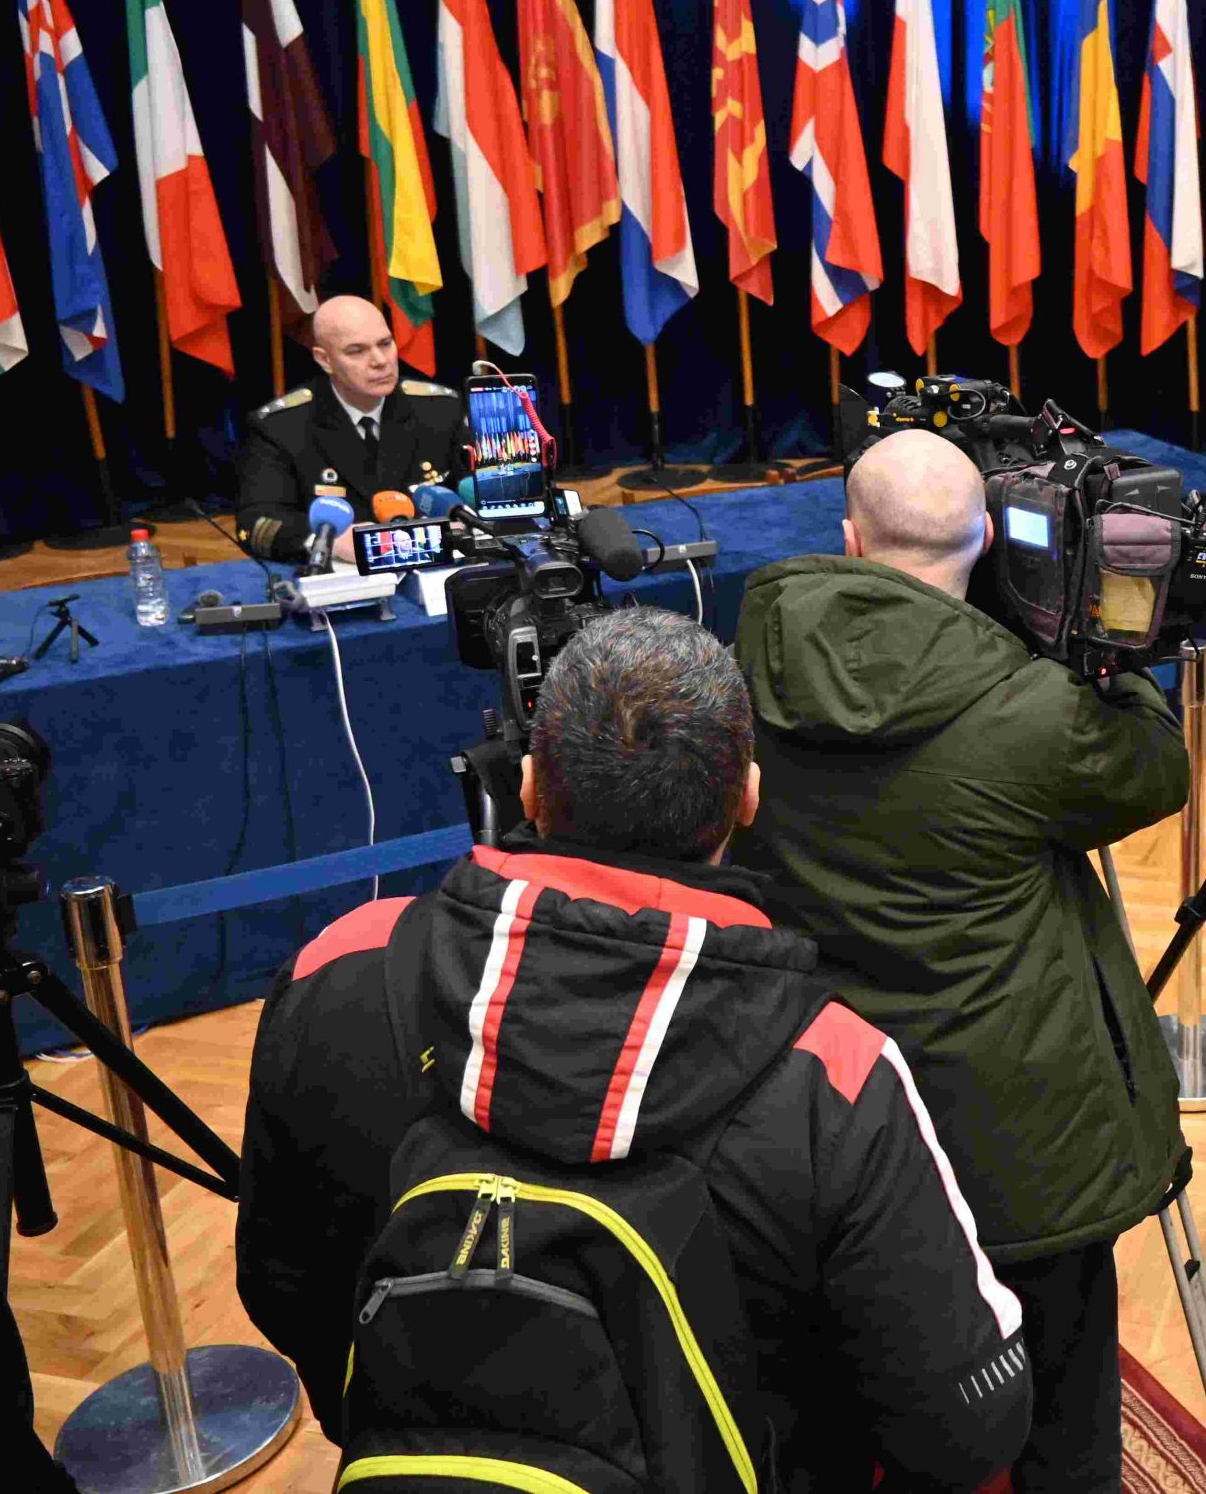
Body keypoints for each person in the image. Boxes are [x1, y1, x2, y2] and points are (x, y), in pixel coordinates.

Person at [236, 608, 1030, 1491]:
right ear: (749, 797)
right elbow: (966, 1428)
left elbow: (281, 1284)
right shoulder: (835, 1072)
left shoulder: (338, 965)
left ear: (528, 786)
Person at [728, 429, 1191, 1494]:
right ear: (986, 538)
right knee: (1063, 1421)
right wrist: (1104, 657)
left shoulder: (746, 667)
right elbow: (1154, 766)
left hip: (829, 1111)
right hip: (1021, 1144)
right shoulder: (1031, 710)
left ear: (849, 539)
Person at [234, 293, 465, 562]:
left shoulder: (440, 410)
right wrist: (325, 541)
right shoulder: (281, 426)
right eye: (357, 351)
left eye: (385, 344)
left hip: (435, 565)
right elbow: (256, 523)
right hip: (339, 573)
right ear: (324, 359)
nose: (380, 360)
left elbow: (482, 492)